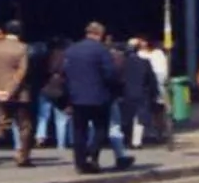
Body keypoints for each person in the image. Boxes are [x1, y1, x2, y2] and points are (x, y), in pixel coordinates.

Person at [63, 22, 125, 173]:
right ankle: (92, 154)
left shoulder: (72, 50)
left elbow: (64, 72)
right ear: (100, 34)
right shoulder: (101, 50)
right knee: (101, 129)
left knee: (79, 131)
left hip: (77, 97)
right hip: (99, 97)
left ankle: (80, 163)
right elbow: (110, 74)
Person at [0, 20, 34, 166]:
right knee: (24, 125)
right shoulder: (22, 48)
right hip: (19, 94)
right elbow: (21, 71)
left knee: (1, 124)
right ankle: (23, 157)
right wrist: (11, 90)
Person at [115, 34, 154, 162]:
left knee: (126, 118)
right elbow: (151, 80)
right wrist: (153, 93)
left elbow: (118, 80)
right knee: (139, 119)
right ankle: (136, 142)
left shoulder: (121, 63)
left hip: (126, 93)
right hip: (141, 93)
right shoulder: (144, 62)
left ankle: (126, 139)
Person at [137, 37, 173, 148]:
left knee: (159, 111)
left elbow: (163, 70)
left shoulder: (157, 53)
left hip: (156, 85)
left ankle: (160, 133)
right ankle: (154, 133)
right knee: (152, 111)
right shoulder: (141, 54)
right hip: (149, 86)